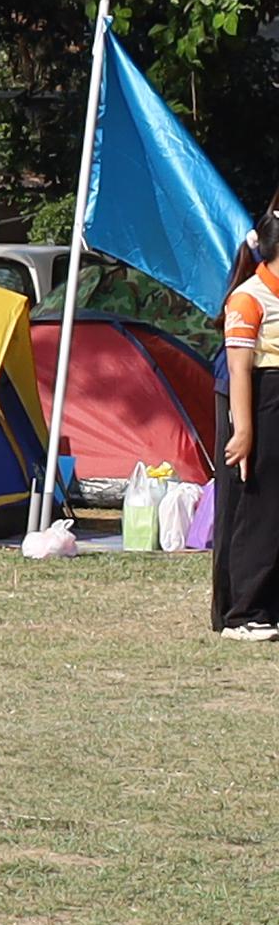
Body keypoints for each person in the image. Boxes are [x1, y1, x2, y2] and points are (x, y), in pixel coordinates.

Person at [215, 220, 277, 641]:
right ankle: (242, 613)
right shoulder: (248, 297)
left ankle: (270, 605)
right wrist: (244, 432)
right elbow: (239, 370)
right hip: (262, 400)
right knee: (257, 508)